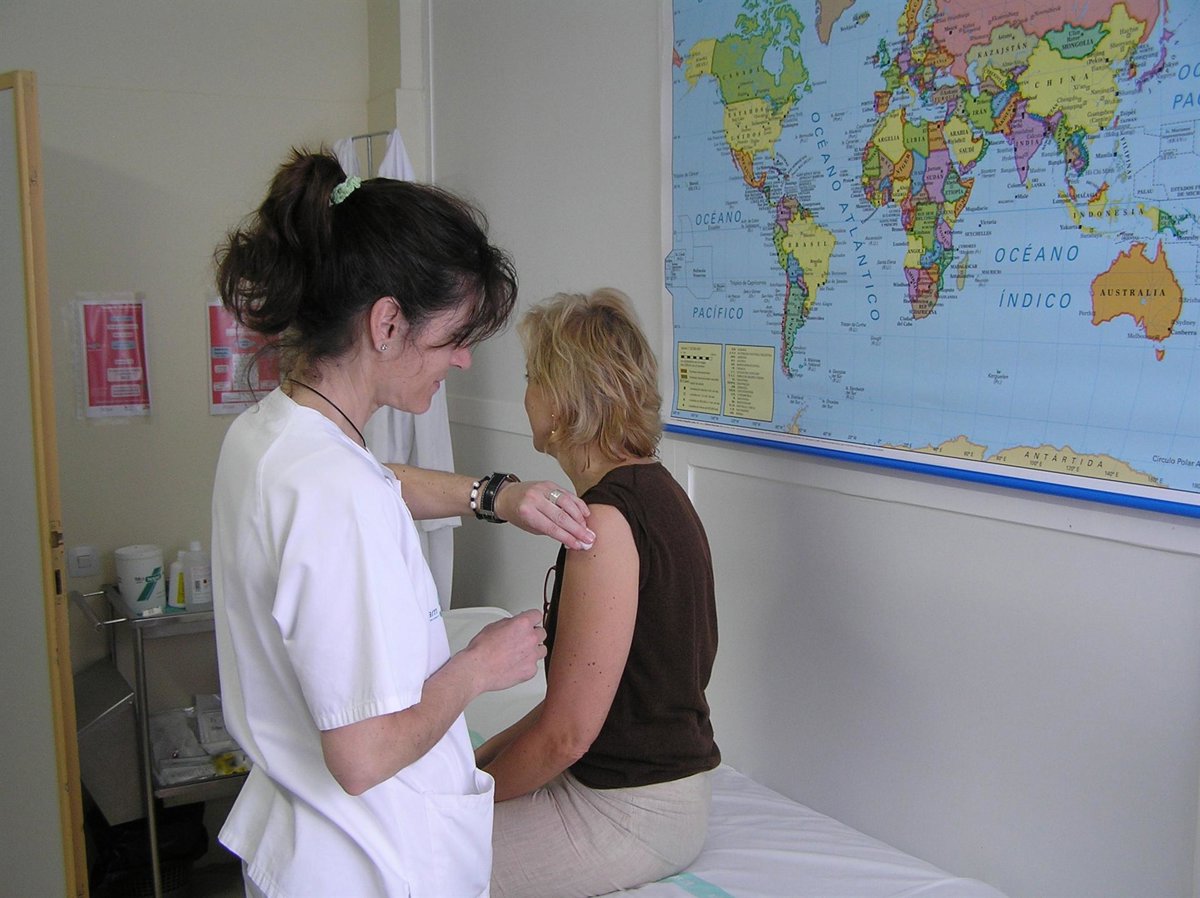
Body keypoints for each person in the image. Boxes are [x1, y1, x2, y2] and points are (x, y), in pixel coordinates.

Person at [209, 148, 594, 898]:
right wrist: (479, 667)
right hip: (366, 864)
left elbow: (379, 485)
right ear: (387, 324)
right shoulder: (335, 492)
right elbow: (362, 757)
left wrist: (496, 497)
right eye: (453, 338)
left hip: (309, 847)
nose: (463, 363)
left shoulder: (270, 436)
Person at [475, 288, 721, 898]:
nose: (525, 394)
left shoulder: (607, 526)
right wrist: (475, 766)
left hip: (633, 811)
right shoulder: (655, 491)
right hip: (634, 788)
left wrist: (462, 799)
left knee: (404, 861)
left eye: (532, 379)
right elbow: (576, 709)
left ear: (563, 402)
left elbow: (566, 737)